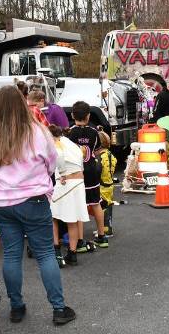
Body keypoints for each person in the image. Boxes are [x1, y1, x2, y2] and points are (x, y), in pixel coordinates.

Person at [0, 85, 76, 326]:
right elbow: (52, 162)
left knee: (11, 255)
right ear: (23, 102)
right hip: (33, 199)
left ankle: (16, 307)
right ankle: (58, 308)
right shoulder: (37, 131)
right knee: (45, 254)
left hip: (1, 202)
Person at [68, 101, 108, 250]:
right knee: (95, 202)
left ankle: (80, 241)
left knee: (79, 205)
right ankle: (102, 236)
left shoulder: (69, 133)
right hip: (92, 169)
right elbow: (96, 149)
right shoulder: (93, 132)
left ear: (72, 115)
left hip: (77, 172)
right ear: (88, 116)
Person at [48, 124, 88, 267]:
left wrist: (62, 172)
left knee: (52, 216)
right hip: (79, 183)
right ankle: (72, 253)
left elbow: (58, 155)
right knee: (73, 219)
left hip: (66, 183)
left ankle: (56, 250)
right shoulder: (72, 144)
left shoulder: (56, 143)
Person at [97, 131, 117, 237]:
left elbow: (97, 171)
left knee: (102, 208)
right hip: (110, 184)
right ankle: (108, 228)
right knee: (108, 206)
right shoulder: (110, 155)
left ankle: (105, 230)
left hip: (101, 186)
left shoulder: (100, 157)